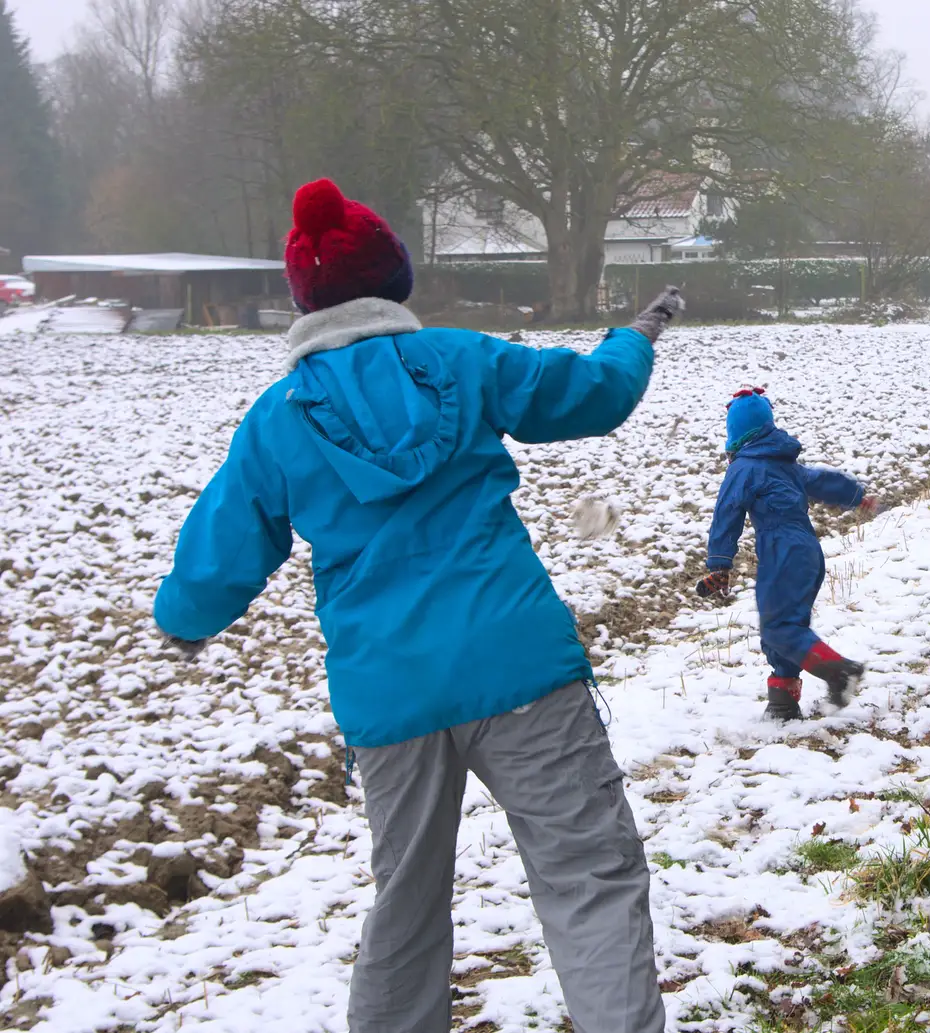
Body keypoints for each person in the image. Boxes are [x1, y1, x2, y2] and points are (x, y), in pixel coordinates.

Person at [152, 177, 677, 1033]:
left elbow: (222, 547)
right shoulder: (466, 361)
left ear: (305, 298)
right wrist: (635, 336)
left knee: (406, 906)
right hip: (518, 668)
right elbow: (596, 393)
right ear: (391, 278)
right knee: (589, 876)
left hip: (388, 695)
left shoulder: (277, 421)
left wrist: (182, 618)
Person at [696, 387, 876, 721]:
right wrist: (855, 495)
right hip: (808, 551)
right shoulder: (786, 466)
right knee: (785, 625)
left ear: (734, 435)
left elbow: (727, 514)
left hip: (782, 550)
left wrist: (720, 564)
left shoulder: (743, 470)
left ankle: (839, 672)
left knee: (779, 626)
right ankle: (782, 702)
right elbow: (821, 480)